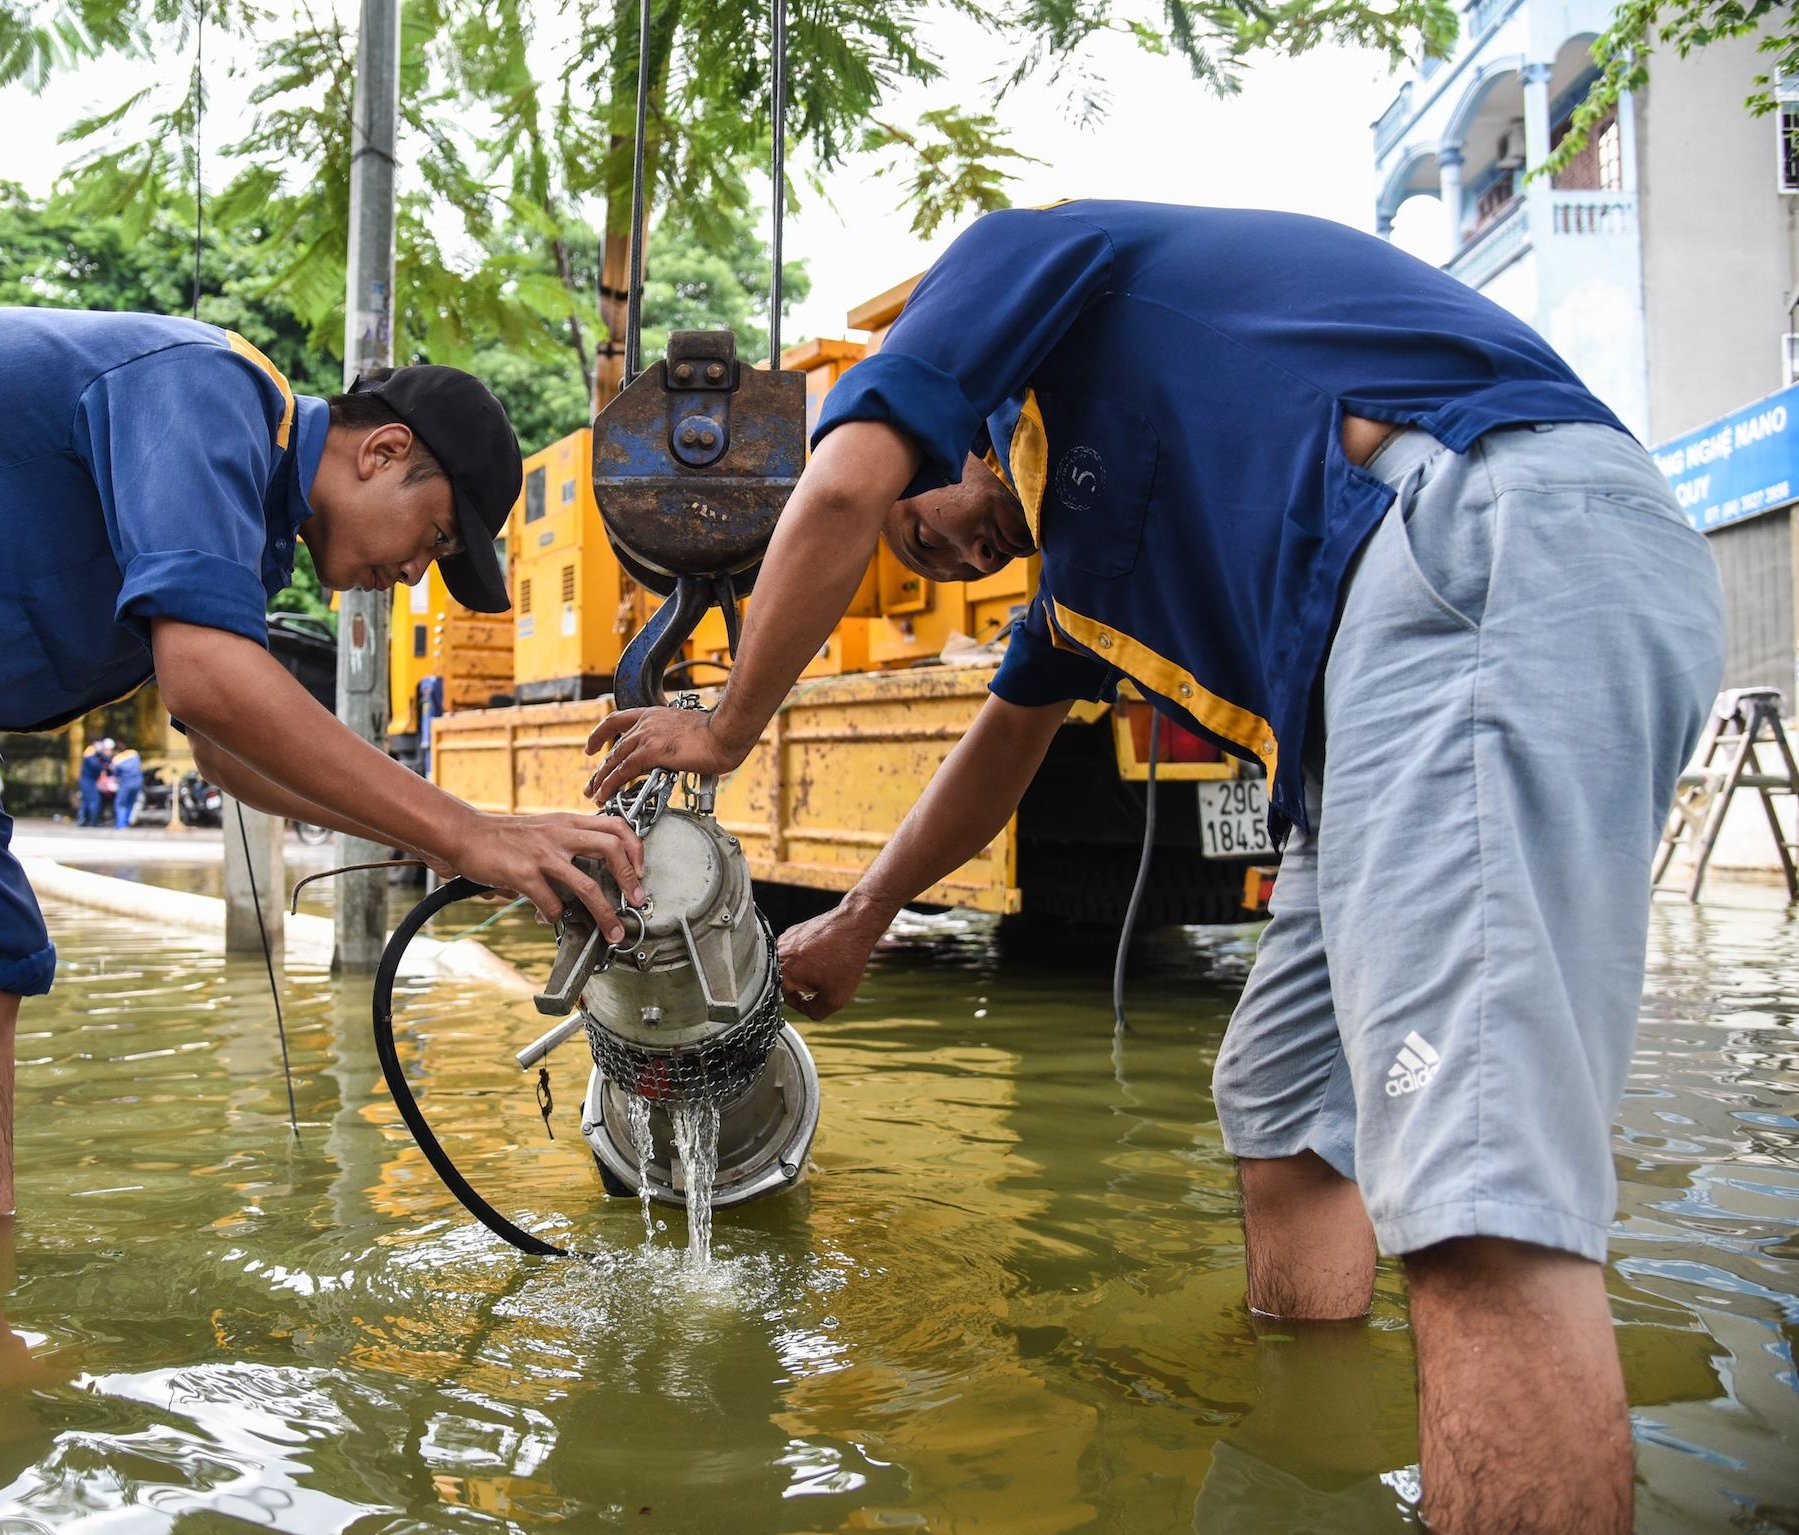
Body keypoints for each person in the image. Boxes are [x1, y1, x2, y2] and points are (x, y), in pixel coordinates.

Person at [584, 202, 1725, 1534]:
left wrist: (723, 726)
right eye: (919, 555)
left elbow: (839, 484)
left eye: (923, 515)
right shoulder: (1080, 566)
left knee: (1476, 1178)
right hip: (1406, 661)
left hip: (1483, 542)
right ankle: (1312, 1414)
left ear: (939, 423)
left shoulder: (1019, 259)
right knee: (1284, 1093)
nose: (935, 545)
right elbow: (998, 753)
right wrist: (862, 916)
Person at [0, 308, 645, 1311]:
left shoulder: (247, 528)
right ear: (382, 450)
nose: (414, 573)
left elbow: (219, 747)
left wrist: (443, 841)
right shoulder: (208, 393)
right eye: (431, 538)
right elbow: (208, 680)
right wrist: (466, 829)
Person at [76, 738, 111, 827]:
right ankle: (93, 822)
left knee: (86, 801)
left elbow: (105, 759)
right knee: (94, 800)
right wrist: (105, 767)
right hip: (87, 781)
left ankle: (83, 820)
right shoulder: (89, 752)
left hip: (89, 780)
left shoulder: (94, 752)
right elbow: (95, 766)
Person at [109, 741, 144, 829]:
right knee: (130, 803)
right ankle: (127, 822)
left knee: (120, 804)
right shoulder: (134, 753)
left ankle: (121, 825)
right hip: (137, 783)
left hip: (126, 784)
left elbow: (115, 773)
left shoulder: (117, 759)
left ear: (117, 750)